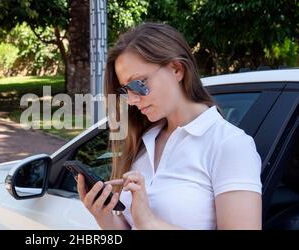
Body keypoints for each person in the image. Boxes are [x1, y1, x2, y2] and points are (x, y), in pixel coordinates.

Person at [76, 22, 262, 230]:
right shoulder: (142, 141)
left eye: (138, 84)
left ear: (177, 69)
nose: (131, 100)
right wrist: (105, 217)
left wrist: (149, 221)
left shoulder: (230, 144)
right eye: (125, 90)